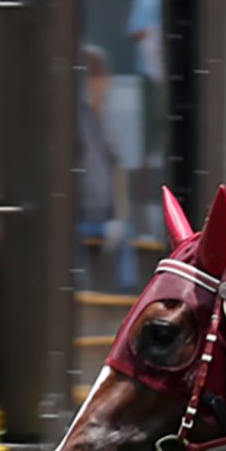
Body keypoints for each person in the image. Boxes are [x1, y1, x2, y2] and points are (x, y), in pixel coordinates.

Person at [75, 44, 137, 290]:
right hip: (79, 216)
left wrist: (119, 218)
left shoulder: (107, 121)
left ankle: (128, 294)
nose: (105, 84)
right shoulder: (78, 120)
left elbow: (119, 169)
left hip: (105, 217)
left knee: (127, 235)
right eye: (99, 77)